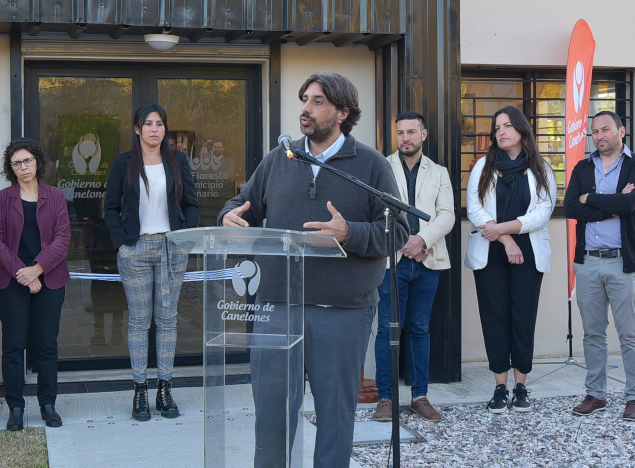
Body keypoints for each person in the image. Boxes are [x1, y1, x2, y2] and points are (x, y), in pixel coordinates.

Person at [219, 71, 408, 468]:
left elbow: (400, 230)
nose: (305, 108)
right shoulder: (279, 159)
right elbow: (242, 203)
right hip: (275, 308)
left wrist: (350, 231)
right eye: (305, 99)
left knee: (336, 419)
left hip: (342, 313)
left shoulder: (370, 164)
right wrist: (227, 217)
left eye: (317, 101)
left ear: (342, 112)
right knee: (271, 416)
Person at [105, 103, 199, 421]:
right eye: (148, 123)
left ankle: (165, 388)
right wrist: (121, 244)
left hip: (172, 248)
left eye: (160, 123)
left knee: (168, 321)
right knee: (139, 322)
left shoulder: (178, 162)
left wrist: (185, 239)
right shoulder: (123, 163)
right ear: (137, 129)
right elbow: (109, 207)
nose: (154, 129)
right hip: (136, 249)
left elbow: (191, 204)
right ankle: (140, 390)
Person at [465, 106, 555, 414]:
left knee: (522, 317)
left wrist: (504, 230)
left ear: (521, 129)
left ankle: (521, 387)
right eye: (497, 127)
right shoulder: (483, 166)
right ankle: (500, 387)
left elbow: (542, 214)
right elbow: (475, 209)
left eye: (507, 126)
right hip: (490, 252)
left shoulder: (540, 167)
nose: (501, 132)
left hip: (528, 252)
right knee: (494, 318)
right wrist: (504, 239)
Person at [564, 111, 635, 421]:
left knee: (629, 333)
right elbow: (571, 206)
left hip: (623, 262)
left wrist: (593, 199)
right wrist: (611, 203)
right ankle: (596, 394)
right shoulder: (583, 167)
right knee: (592, 334)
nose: (599, 136)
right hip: (587, 264)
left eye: (605, 129)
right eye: (595, 131)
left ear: (621, 131)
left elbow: (630, 204)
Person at [373, 112, 455, 423]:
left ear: (423, 134)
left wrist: (422, 240)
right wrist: (404, 243)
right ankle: (385, 399)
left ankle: (420, 396)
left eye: (411, 132)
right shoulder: (381, 167)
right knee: (386, 330)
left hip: (428, 261)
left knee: (420, 329)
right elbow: (376, 211)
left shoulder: (440, 172)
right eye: (400, 133)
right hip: (391, 262)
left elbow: (446, 215)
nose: (405, 138)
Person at [0, 138, 71, 431]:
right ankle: (16, 407)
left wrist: (37, 269)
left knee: (47, 345)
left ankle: (48, 404)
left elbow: (63, 239)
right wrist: (22, 272)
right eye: (16, 163)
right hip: (12, 280)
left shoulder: (56, 197)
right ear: (10, 168)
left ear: (38, 162)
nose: (23, 167)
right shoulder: (2, 198)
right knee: (13, 346)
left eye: (27, 161)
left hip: (49, 279)